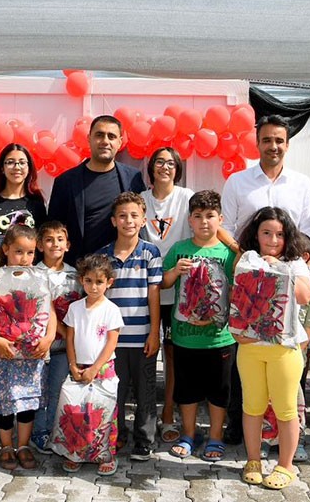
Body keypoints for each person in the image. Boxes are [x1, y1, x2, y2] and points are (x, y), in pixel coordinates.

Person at [220, 114, 310, 445]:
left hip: (290, 281)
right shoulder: (237, 181)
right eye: (267, 140)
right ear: (256, 142)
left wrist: (296, 271)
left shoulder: (301, 183)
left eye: (279, 140)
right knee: (245, 354)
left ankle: (289, 432)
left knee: (288, 356)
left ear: (287, 145)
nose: (273, 146)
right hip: (249, 280)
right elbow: (228, 228)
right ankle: (241, 428)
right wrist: (251, 261)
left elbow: (307, 233)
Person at [232, 207, 310, 490]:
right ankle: (253, 460)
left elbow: (304, 296)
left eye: (279, 234)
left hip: (284, 349)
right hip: (250, 347)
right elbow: (239, 293)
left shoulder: (295, 262)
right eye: (267, 233)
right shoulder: (247, 258)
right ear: (256, 234)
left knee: (286, 409)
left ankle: (285, 465)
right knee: (252, 406)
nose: (273, 239)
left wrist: (279, 267)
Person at [161, 190, 237, 462]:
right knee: (187, 390)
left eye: (210, 216)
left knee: (219, 392)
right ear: (189, 220)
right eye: (198, 216)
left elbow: (237, 290)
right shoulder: (179, 249)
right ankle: (188, 434)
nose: (204, 221)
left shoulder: (228, 253)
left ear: (220, 219)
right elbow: (164, 283)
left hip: (220, 339)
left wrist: (213, 316)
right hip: (185, 338)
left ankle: (215, 436)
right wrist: (174, 271)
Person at [0, 224, 56, 471]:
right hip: (0, 355)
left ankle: (23, 446)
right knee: (4, 402)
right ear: (6, 249)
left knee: (26, 402)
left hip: (31, 356)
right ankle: (6, 446)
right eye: (19, 252)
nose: (24, 258)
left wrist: (49, 338)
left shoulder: (42, 279)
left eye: (30, 253)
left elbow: (50, 313)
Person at [96, 192, 162, 461]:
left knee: (145, 391)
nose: (128, 220)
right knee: (115, 391)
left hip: (143, 337)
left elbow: (154, 294)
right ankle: (117, 434)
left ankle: (144, 440)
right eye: (122, 216)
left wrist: (154, 333)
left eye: (134, 215)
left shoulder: (151, 253)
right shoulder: (102, 256)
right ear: (113, 221)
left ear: (143, 219)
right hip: (112, 341)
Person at [52, 254, 123, 475]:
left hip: (102, 370)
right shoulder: (75, 308)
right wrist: (73, 365)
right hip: (79, 368)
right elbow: (70, 339)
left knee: (102, 414)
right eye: (89, 281)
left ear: (109, 283)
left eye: (99, 281)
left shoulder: (111, 310)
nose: (93, 286)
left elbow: (112, 342)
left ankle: (105, 455)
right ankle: (76, 452)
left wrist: (94, 368)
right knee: (76, 413)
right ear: (82, 280)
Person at [140, 147, 193, 445]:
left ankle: (169, 413)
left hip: (179, 290)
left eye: (171, 163)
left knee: (173, 355)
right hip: (146, 291)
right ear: (151, 167)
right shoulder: (141, 200)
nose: (165, 167)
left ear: (178, 168)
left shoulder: (186, 197)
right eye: (159, 161)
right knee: (147, 352)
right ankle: (146, 414)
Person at [48, 115, 146, 266]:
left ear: (120, 142)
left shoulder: (133, 178)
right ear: (89, 138)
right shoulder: (65, 182)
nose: (105, 141)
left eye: (111, 136)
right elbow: (53, 230)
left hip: (122, 269)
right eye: (99, 135)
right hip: (79, 271)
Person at [30, 220, 83, 455]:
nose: (55, 244)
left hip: (64, 348)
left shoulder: (75, 275)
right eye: (49, 240)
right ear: (40, 245)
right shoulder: (32, 273)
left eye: (60, 239)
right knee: (37, 390)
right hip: (38, 346)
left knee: (56, 390)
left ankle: (52, 430)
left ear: (68, 245)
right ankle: (37, 432)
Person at [0, 144, 47, 253]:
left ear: (29, 168)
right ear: (2, 168)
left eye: (22, 162)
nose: (17, 167)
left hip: (28, 268)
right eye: (10, 162)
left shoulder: (36, 202)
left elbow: (42, 240)